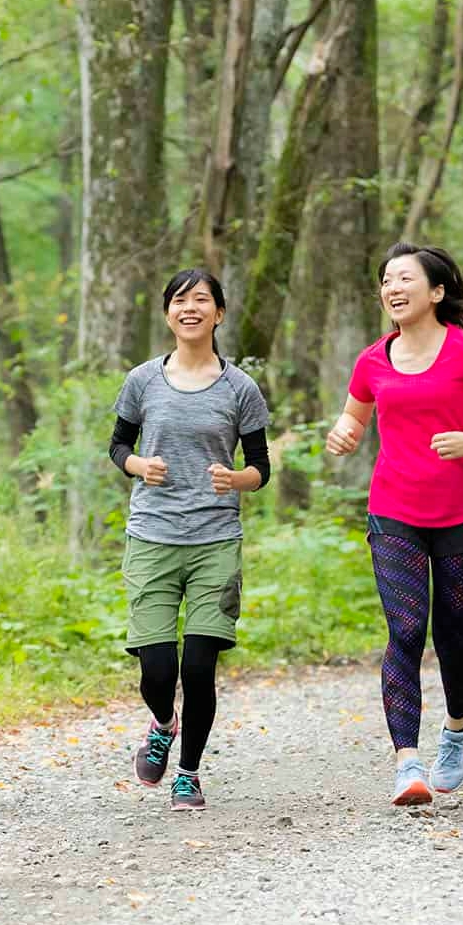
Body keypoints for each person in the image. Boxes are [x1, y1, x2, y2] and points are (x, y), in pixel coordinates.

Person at [324, 243, 463, 807]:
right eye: (386, 281)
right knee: (404, 630)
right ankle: (407, 763)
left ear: (437, 291)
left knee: (451, 638)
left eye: (405, 279)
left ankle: (455, 731)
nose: (392, 288)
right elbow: (352, 419)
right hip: (394, 509)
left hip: (462, 513)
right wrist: (343, 435)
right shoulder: (373, 359)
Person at [109, 268, 272, 814]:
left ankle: (189, 772)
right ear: (167, 313)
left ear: (219, 314)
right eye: (180, 300)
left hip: (214, 540)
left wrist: (237, 479)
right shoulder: (142, 381)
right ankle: (162, 722)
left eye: (202, 300)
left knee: (199, 666)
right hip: (152, 537)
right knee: (157, 670)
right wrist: (136, 464)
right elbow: (116, 446)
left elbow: (262, 467)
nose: (190, 308)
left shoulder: (239, 387)